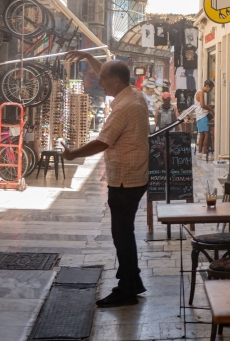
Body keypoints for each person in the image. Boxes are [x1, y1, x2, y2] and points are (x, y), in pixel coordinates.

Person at [61, 52, 149, 307]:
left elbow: (102, 142)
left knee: (122, 234)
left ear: (116, 81)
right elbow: (109, 72)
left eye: (103, 79)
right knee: (124, 231)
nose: (99, 82)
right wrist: (89, 57)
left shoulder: (124, 107)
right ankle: (133, 280)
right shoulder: (133, 93)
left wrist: (72, 154)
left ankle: (127, 289)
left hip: (124, 179)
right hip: (134, 175)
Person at [195, 80, 215, 157]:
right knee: (206, 134)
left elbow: (201, 105)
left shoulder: (198, 92)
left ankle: (200, 153)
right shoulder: (201, 93)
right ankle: (204, 153)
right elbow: (202, 105)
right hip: (203, 116)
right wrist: (210, 109)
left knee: (202, 135)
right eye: (210, 89)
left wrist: (208, 106)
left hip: (199, 116)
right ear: (207, 86)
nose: (210, 91)